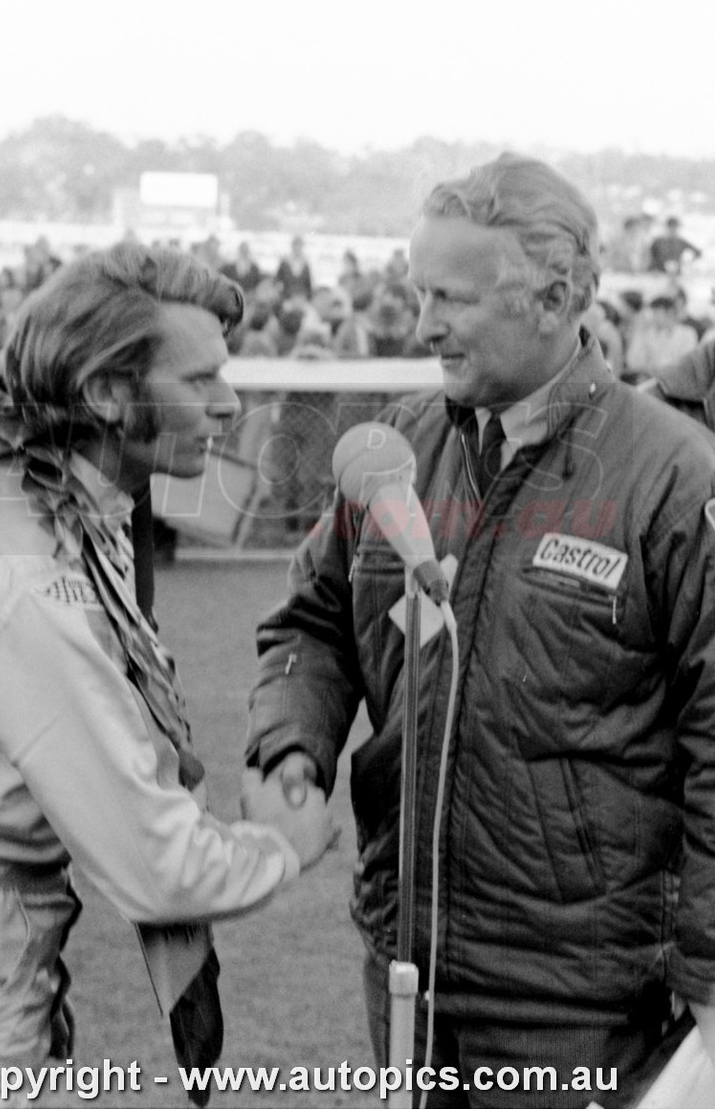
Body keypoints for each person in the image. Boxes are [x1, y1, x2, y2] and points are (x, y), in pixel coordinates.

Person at [244, 154, 715, 1107]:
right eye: (418, 292)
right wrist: (294, 742)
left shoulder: (674, 477)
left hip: (579, 997)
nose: (422, 325)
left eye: (449, 297)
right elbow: (313, 621)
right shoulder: (397, 449)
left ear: (553, 297)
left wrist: (706, 970)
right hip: (405, 964)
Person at [0, 243, 335, 1109]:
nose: (228, 404)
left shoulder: (17, 480)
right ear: (108, 395)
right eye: (198, 382)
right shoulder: (22, 573)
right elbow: (154, 864)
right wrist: (285, 846)